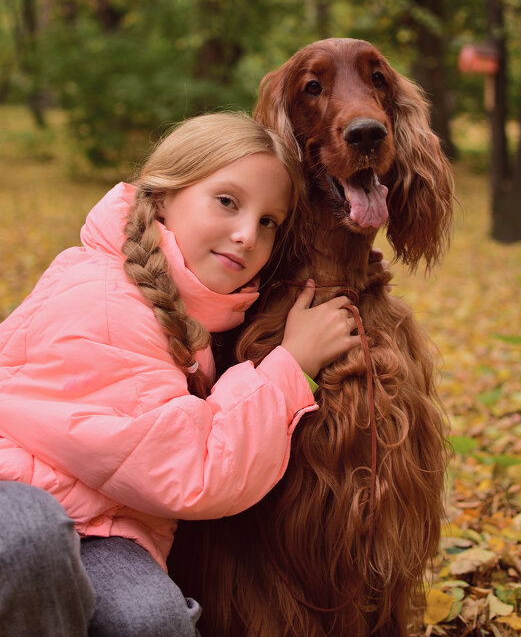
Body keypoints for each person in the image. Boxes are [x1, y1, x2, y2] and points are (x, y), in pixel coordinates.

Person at [0, 112, 365, 637]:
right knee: (28, 534)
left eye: (269, 222)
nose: (246, 235)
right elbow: (190, 469)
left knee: (151, 620)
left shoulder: (187, 317)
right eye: (227, 201)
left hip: (100, 526)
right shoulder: (102, 300)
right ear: (164, 196)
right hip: (25, 504)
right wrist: (290, 365)